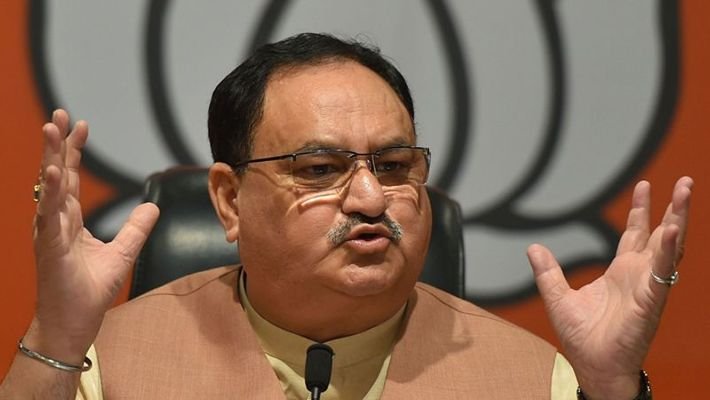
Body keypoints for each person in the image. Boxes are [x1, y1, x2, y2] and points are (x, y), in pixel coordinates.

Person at [0, 33, 692, 399]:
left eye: (393, 166)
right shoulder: (101, 365)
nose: (369, 200)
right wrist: (56, 337)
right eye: (319, 170)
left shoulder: (535, 381)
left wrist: (611, 393)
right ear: (230, 201)